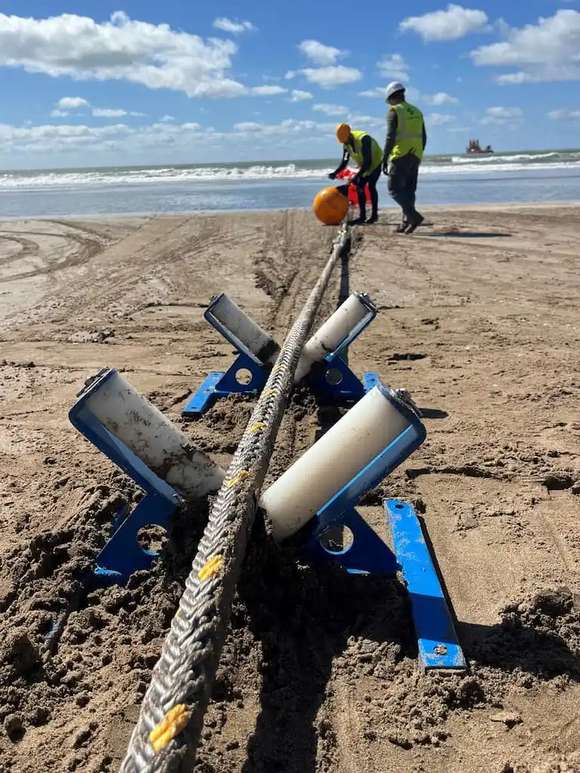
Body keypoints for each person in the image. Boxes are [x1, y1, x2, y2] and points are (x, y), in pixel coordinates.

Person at [383, 82, 427, 234]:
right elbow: (424, 136)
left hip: (400, 154)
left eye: (388, 101)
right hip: (416, 154)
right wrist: (419, 153)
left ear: (391, 97)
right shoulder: (417, 111)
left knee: (394, 190)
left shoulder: (394, 111)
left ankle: (414, 217)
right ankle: (406, 222)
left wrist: (384, 158)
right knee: (409, 190)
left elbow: (390, 137)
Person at [329, 124, 383, 225]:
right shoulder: (346, 144)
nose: (345, 143)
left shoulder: (364, 139)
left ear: (349, 135)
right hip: (364, 165)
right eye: (343, 142)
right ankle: (362, 217)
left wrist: (356, 177)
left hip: (375, 163)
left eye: (345, 140)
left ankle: (374, 215)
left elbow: (368, 162)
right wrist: (335, 172)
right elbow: (344, 161)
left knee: (371, 186)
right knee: (359, 187)